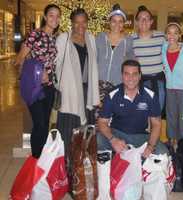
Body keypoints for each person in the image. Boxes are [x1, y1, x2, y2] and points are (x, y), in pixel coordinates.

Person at [14, 4, 61, 158]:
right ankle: (35, 160)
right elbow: (20, 58)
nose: (55, 18)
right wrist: (38, 71)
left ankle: (41, 160)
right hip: (35, 88)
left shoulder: (54, 38)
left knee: (44, 125)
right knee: (39, 124)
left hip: (49, 88)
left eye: (57, 16)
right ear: (45, 17)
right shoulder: (36, 35)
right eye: (51, 15)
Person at [97, 59, 168, 158]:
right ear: (122, 75)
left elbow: (156, 124)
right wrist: (113, 140)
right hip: (117, 134)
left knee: (163, 152)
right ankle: (115, 159)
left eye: (134, 74)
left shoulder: (150, 95)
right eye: (127, 74)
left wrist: (150, 147)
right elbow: (102, 122)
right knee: (98, 140)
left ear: (140, 76)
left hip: (141, 136)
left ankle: (134, 158)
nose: (131, 78)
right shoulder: (112, 94)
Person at [56, 8, 100, 156]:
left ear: (87, 23)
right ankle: (67, 163)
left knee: (85, 132)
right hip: (69, 92)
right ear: (72, 23)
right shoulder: (64, 38)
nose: (80, 26)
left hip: (86, 91)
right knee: (69, 131)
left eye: (83, 22)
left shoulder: (91, 39)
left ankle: (82, 164)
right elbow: (56, 64)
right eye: (77, 22)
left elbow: (94, 66)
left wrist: (95, 93)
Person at [132, 5, 166, 113]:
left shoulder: (161, 36)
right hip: (141, 81)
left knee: (158, 113)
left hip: (159, 80)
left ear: (151, 21)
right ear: (136, 22)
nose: (144, 21)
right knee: (142, 113)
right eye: (141, 18)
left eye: (147, 18)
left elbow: (174, 50)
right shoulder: (131, 39)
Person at [96, 4, 134, 87]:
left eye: (120, 21)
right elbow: (93, 61)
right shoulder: (100, 38)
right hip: (98, 84)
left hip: (118, 85)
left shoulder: (128, 40)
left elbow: (131, 63)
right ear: (109, 22)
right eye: (114, 21)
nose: (117, 24)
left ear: (124, 23)